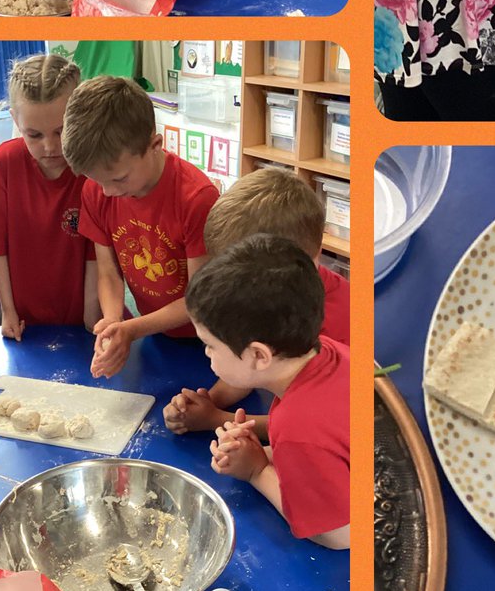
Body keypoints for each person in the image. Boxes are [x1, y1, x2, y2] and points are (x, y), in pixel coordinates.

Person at [188, 235, 348, 549]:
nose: (206, 354)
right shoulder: (326, 349)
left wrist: (257, 470)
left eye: (209, 345)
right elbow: (335, 449)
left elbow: (339, 533)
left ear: (259, 356)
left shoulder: (298, 426)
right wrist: (267, 451)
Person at [164, 168, 349, 436]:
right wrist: (207, 402)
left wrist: (217, 419)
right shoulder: (265, 302)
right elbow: (248, 366)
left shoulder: (335, 327)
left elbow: (309, 424)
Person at [61, 74, 219, 377]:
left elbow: (199, 301)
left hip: (209, 338)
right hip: (153, 333)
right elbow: (107, 272)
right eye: (97, 180)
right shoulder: (98, 191)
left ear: (155, 145)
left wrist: (131, 329)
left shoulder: (196, 198)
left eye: (119, 179)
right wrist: (111, 320)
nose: (108, 191)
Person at [0, 54, 98, 340]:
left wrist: (92, 313)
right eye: (34, 135)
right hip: (21, 313)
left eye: (61, 131)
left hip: (82, 309)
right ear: (16, 122)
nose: (50, 147)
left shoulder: (92, 168)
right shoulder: (4, 163)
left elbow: (97, 253)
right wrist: (8, 310)